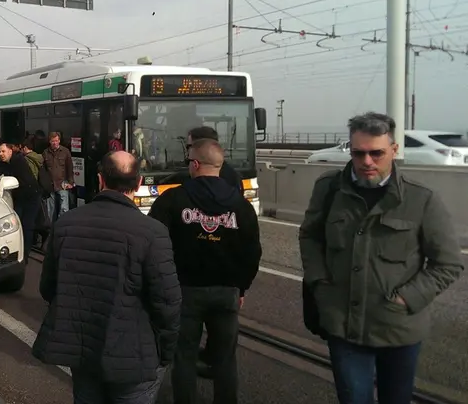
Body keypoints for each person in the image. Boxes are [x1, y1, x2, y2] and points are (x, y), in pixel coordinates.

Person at [299, 112, 463, 404]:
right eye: (359, 153)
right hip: (343, 326)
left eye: (377, 153)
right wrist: (319, 282)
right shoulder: (328, 189)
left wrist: (405, 299)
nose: (367, 162)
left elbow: (448, 263)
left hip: (398, 329)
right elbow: (310, 236)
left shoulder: (422, 199)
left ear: (394, 150)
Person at [33, 151, 181, 404]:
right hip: (133, 355)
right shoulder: (153, 232)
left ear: (100, 180)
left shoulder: (67, 224)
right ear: (138, 183)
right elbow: (167, 303)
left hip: (83, 350)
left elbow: (48, 288)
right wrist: (165, 353)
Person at [148, 138, 262, 404]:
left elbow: (153, 243)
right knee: (225, 359)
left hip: (184, 291)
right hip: (227, 292)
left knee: (184, 357)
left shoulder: (173, 199)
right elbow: (252, 252)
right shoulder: (241, 206)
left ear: (195, 164)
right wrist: (241, 287)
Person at [0, 142, 40, 263]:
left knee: (27, 226)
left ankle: (25, 256)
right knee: (18, 225)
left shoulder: (19, 162)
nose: (1, 154)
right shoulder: (2, 164)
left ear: (10, 151)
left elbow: (25, 182)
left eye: (3, 151)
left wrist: (2, 183)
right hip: (18, 198)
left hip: (30, 198)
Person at [42, 132, 75, 221]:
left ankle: (62, 225)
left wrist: (70, 182)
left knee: (64, 209)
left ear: (59, 141)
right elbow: (43, 170)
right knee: (50, 210)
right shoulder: (45, 153)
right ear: (50, 142)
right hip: (50, 185)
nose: (55, 143)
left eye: (56, 141)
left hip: (62, 183)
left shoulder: (65, 152)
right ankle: (51, 230)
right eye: (53, 141)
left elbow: (70, 167)